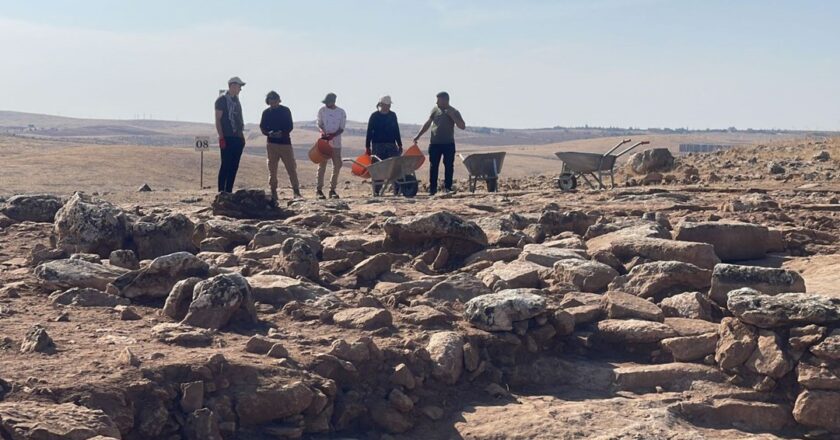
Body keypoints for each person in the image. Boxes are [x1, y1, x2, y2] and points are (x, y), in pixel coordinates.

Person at [413, 91, 465, 195]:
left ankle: (448, 188)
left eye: (439, 100)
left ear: (445, 100)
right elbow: (428, 123)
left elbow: (462, 126)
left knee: (449, 166)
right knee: (433, 166)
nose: (436, 102)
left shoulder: (454, 111)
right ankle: (432, 189)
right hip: (435, 144)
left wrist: (452, 116)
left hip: (448, 143)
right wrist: (418, 135)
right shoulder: (435, 110)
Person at [259, 91, 300, 200]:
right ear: (268, 102)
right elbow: (262, 127)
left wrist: (282, 133)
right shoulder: (266, 113)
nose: (273, 103)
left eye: (275, 100)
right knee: (272, 169)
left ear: (278, 100)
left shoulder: (285, 111)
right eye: (271, 101)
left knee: (291, 167)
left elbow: (290, 126)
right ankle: (273, 191)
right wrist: (269, 133)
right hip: (272, 143)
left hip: (285, 143)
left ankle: (296, 191)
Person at [214, 76, 247, 193]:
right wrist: (221, 137)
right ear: (232, 86)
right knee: (225, 165)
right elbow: (218, 119)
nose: (240, 89)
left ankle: (229, 191)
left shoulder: (237, 101)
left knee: (234, 166)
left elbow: (239, 120)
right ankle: (221, 191)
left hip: (237, 137)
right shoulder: (221, 100)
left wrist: (242, 137)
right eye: (239, 86)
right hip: (227, 137)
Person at [365, 95, 402, 195]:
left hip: (391, 144)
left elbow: (396, 130)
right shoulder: (374, 116)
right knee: (378, 168)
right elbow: (369, 132)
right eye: (386, 104)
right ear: (381, 104)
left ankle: (397, 189)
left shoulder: (392, 115)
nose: (388, 106)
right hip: (377, 145)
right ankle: (377, 190)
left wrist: (399, 144)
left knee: (394, 167)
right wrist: (367, 146)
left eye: (389, 105)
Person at [316, 92, 346, 199]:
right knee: (322, 165)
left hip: (336, 142)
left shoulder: (341, 112)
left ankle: (332, 189)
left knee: (337, 165)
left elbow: (342, 127)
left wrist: (333, 135)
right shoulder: (322, 111)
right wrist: (324, 132)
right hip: (324, 141)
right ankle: (319, 189)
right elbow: (319, 123)